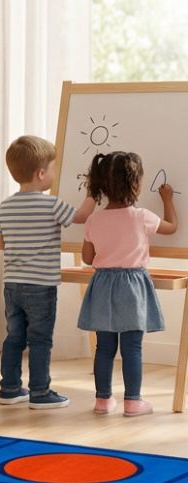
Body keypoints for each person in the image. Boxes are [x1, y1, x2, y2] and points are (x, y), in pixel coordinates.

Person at [0, 135, 96, 409]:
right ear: (41, 173)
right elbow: (82, 216)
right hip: (41, 286)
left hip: (12, 285)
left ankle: (10, 389)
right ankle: (39, 392)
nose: (53, 174)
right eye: (52, 168)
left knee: (14, 338)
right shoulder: (52, 205)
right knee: (40, 340)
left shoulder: (6, 205)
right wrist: (92, 193)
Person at [77, 151, 177, 416]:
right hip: (132, 286)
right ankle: (133, 401)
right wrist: (167, 199)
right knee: (132, 346)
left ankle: (102, 400)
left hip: (102, 285)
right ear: (135, 184)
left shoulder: (93, 220)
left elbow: (88, 258)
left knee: (104, 346)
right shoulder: (141, 216)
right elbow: (171, 227)